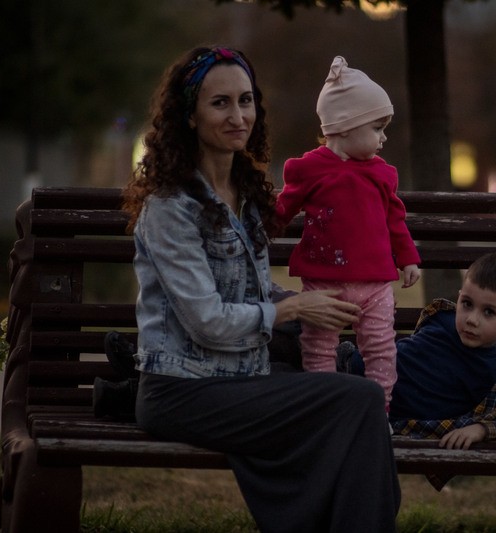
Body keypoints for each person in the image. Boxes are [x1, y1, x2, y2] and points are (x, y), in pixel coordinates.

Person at [121, 45, 400, 532]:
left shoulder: (244, 193)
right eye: (220, 103)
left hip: (238, 376)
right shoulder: (171, 208)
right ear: (188, 115)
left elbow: (251, 290)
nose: (238, 115)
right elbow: (207, 320)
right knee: (354, 398)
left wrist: (302, 302)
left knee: (346, 379)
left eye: (245, 100)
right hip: (184, 391)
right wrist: (293, 312)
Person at [275, 56, 421, 412]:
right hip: (324, 282)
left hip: (375, 285)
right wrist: (260, 228)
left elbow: (395, 221)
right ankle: (324, 409)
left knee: (380, 347)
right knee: (318, 346)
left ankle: (378, 410)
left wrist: (408, 259)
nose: (383, 138)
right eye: (377, 128)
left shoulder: (381, 173)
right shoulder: (309, 169)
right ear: (343, 126)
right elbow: (283, 208)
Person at [339, 252, 496, 450]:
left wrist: (481, 429)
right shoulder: (441, 317)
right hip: (345, 366)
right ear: (459, 297)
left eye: (489, 312)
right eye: (467, 304)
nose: (471, 319)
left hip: (363, 406)